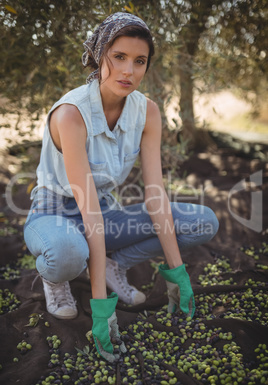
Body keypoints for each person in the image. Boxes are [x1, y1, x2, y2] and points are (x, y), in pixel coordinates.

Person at [23, 12, 219, 362]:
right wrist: (102, 308)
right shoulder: (71, 115)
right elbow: (88, 213)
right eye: (119, 57)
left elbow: (155, 194)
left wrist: (178, 275)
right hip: (53, 213)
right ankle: (57, 278)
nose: (129, 71)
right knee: (68, 253)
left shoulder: (148, 113)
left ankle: (115, 265)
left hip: (105, 212)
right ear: (100, 57)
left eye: (139, 61)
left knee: (202, 220)